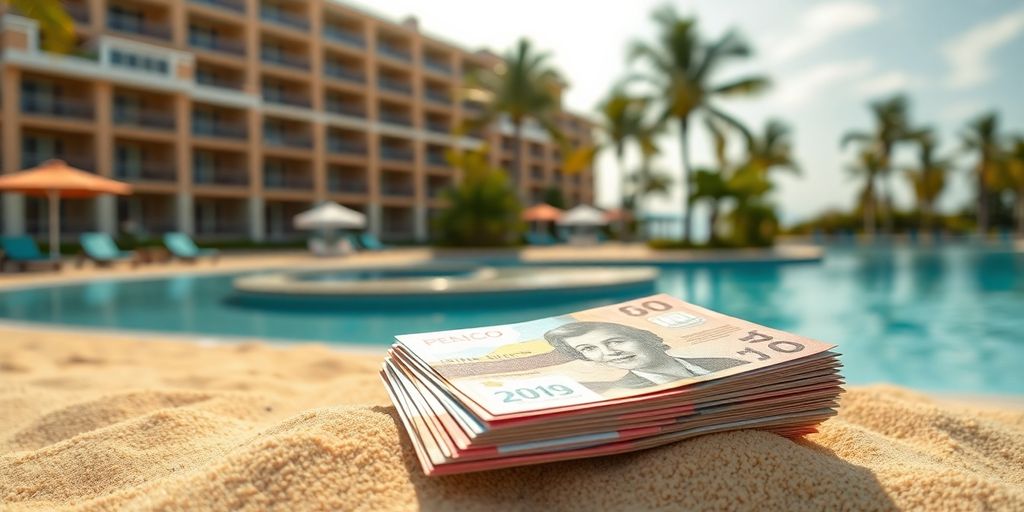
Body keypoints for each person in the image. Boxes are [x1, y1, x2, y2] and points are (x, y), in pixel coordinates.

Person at [543, 321, 748, 393]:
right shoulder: (623, 391)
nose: (609, 352)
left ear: (644, 338)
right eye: (588, 348)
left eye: (615, 341)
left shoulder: (730, 364)